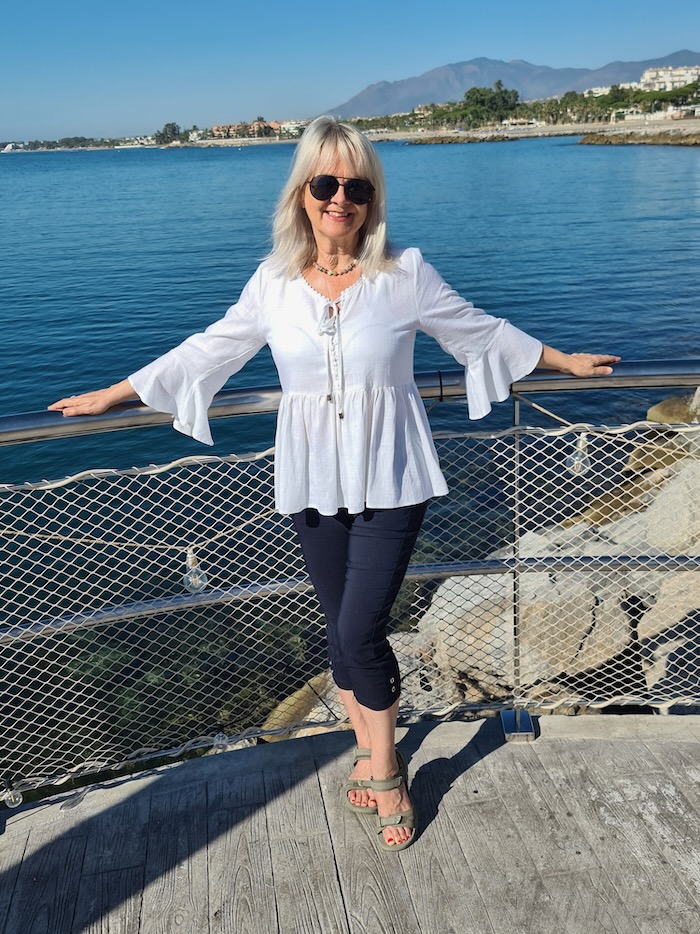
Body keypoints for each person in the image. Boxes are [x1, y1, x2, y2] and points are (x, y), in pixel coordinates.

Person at [49, 115, 619, 851]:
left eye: (355, 185)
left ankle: (385, 770)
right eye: (325, 183)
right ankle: (372, 747)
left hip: (391, 475)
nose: (339, 198)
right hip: (313, 479)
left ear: (372, 196)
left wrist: (561, 360)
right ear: (302, 193)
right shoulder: (275, 284)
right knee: (339, 631)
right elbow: (207, 350)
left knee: (359, 628)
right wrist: (114, 394)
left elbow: (479, 331)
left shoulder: (404, 272)